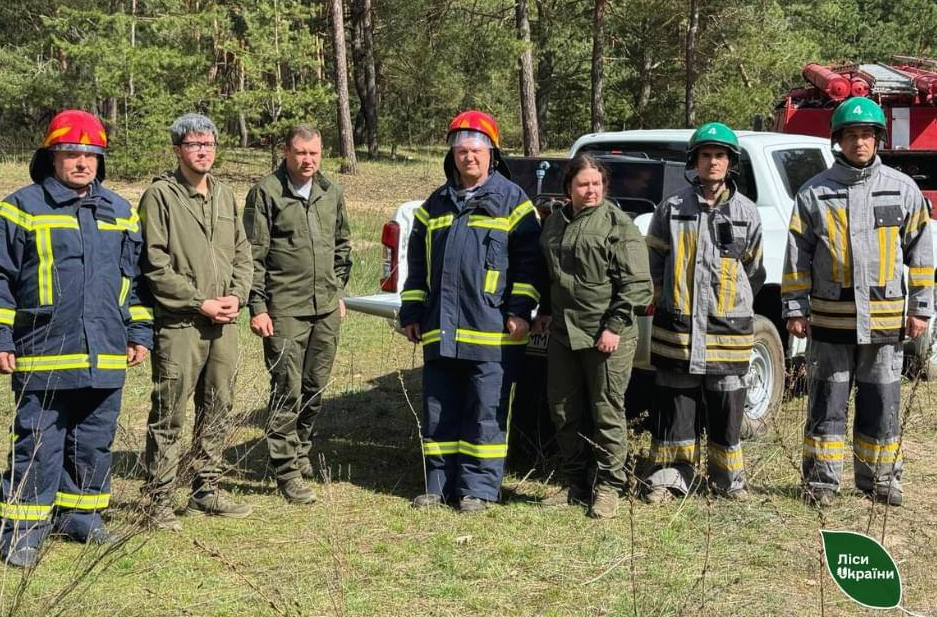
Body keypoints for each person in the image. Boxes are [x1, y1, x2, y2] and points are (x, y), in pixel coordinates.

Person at [0, 110, 153, 568]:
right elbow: (1, 277)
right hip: (44, 348)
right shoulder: (21, 207)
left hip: (106, 348)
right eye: (71, 153)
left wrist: (139, 330)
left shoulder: (121, 211)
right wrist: (2, 337)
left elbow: (136, 281)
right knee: (39, 441)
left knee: (93, 439)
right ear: (51, 157)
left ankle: (82, 516)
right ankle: (23, 530)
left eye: (91, 154)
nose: (82, 162)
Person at [782, 97, 934, 508]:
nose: (860, 142)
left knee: (881, 403)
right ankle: (821, 483)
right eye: (851, 135)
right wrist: (794, 308)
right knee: (826, 403)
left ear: (878, 139)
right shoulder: (814, 192)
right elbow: (797, 255)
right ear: (838, 140)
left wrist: (921, 308)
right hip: (831, 320)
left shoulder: (903, 189)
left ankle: (881, 481)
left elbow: (921, 254)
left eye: (867, 134)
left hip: (885, 322)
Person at [398, 110, 542, 513]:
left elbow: (530, 263)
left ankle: (476, 489)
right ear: (453, 155)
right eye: (461, 151)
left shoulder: (513, 202)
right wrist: (412, 309)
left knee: (485, 413)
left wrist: (520, 309)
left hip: (492, 330)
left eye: (476, 151)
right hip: (440, 329)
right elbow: (417, 264)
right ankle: (438, 484)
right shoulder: (435, 204)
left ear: (491, 155)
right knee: (439, 408)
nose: (468, 158)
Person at [140, 113, 253, 530]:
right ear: (178, 150)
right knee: (170, 411)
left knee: (218, 406)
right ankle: (158, 499)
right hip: (181, 324)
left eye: (208, 144)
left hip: (224, 323)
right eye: (194, 145)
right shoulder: (160, 196)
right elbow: (154, 264)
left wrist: (237, 296)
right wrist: (199, 301)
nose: (203, 151)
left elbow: (242, 253)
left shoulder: (225, 195)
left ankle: (205, 488)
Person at [642, 122, 765, 503]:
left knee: (727, 405)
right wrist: (667, 297)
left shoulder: (747, 212)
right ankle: (668, 478)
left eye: (720, 156)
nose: (713, 162)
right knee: (674, 403)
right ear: (693, 162)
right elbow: (654, 260)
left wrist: (731, 302)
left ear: (731, 163)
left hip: (729, 329)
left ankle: (728, 481)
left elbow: (754, 270)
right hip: (677, 327)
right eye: (706, 155)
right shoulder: (672, 208)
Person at [537, 154, 652, 518]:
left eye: (596, 184)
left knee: (606, 411)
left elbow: (637, 286)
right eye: (583, 184)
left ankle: (609, 487)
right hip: (563, 333)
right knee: (563, 410)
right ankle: (575, 483)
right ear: (568, 187)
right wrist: (543, 310)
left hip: (606, 334)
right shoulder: (554, 223)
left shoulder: (618, 225)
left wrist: (614, 327)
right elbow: (548, 274)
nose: (590, 191)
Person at [243, 124, 352, 504]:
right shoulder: (266, 192)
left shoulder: (330, 191)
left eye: (314, 154)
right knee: (286, 389)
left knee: (315, 388)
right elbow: (252, 255)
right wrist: (257, 306)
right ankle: (285, 470)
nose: (308, 161)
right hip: (284, 308)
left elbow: (342, 244)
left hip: (324, 308)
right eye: (301, 153)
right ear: (287, 153)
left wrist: (336, 291)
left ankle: (301, 449)